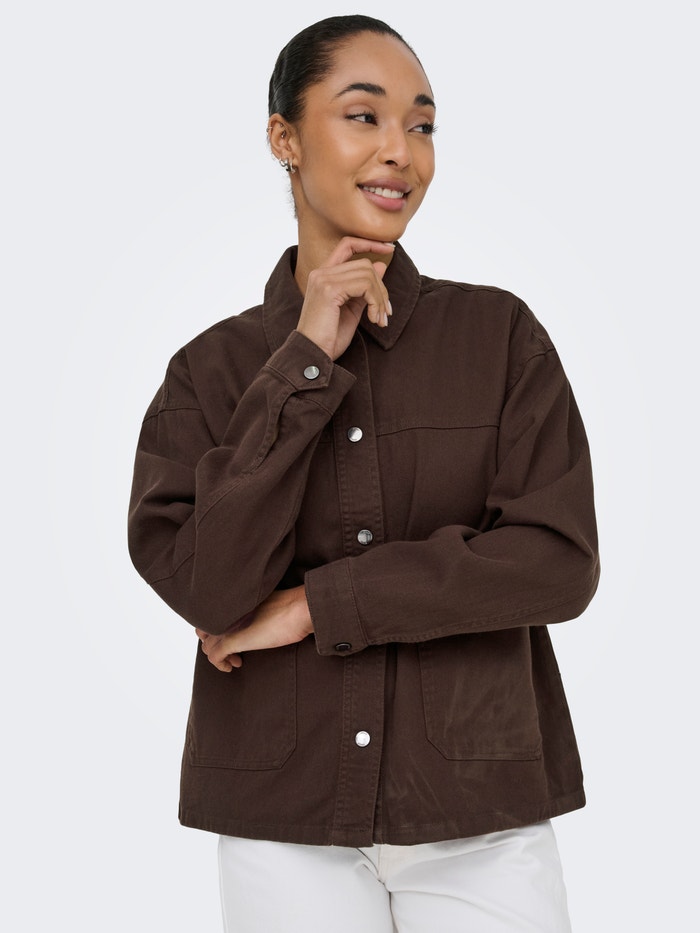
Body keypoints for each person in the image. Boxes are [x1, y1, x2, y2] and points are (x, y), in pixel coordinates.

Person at [128, 14, 599, 932]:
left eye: (422, 125)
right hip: (284, 819)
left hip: (478, 814)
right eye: (363, 116)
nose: (400, 152)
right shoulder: (207, 373)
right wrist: (305, 362)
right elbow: (208, 587)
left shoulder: (499, 339)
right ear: (285, 139)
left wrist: (317, 605)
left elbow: (557, 562)